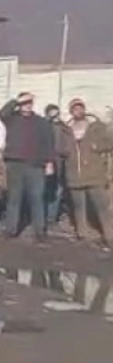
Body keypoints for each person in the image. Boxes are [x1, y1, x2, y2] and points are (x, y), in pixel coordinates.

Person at [0, 92, 56, 244]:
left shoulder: (41, 122)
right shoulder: (11, 119)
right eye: (25, 102)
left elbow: (48, 143)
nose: (28, 105)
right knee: (14, 198)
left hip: (35, 165)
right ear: (20, 104)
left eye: (30, 102)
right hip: (14, 164)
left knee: (37, 198)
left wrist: (49, 162)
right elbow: (2, 113)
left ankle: (39, 231)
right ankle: (11, 230)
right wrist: (16, 101)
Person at [56, 97, 113, 251]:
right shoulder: (66, 130)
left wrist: (96, 146)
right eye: (74, 109)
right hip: (75, 175)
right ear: (71, 112)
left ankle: (109, 236)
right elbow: (60, 149)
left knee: (102, 207)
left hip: (95, 175)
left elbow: (109, 143)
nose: (78, 111)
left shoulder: (96, 127)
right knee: (79, 207)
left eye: (80, 108)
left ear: (84, 109)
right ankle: (82, 235)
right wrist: (66, 151)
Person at [43, 104, 70, 231]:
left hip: (60, 162)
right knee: (44, 190)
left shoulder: (63, 127)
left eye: (56, 113)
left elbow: (68, 142)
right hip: (46, 162)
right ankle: (42, 216)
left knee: (57, 190)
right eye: (52, 113)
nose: (55, 116)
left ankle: (51, 218)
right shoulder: (43, 126)